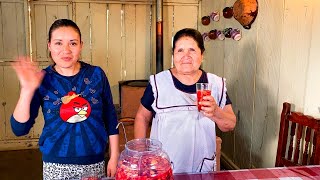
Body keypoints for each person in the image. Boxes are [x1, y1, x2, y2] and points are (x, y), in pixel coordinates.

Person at [10, 19, 119, 179]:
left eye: (73, 43)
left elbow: (110, 117)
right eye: (58, 43)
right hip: (55, 165)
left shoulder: (96, 74)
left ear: (81, 45)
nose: (66, 50)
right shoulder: (41, 79)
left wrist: (114, 156)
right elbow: (19, 129)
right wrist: (27, 90)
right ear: (49, 46)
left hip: (94, 162)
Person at [134, 28, 236, 173]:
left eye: (192, 50)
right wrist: (141, 153)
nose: (186, 56)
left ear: (202, 54)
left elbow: (230, 124)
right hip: (164, 165)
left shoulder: (215, 84)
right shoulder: (159, 82)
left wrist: (216, 112)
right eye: (180, 50)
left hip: (202, 166)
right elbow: (142, 117)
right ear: (173, 55)